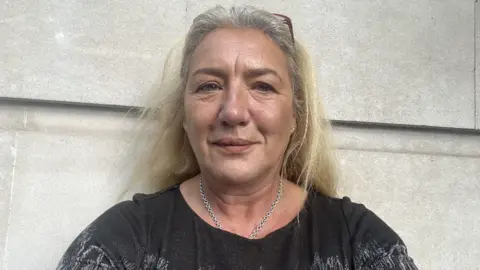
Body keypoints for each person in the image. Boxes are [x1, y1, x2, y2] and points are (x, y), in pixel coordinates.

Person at [57, 5, 418, 270]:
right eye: (209, 86)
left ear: (295, 115)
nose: (232, 112)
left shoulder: (358, 243)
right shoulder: (121, 243)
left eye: (262, 86)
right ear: (184, 115)